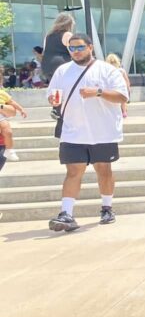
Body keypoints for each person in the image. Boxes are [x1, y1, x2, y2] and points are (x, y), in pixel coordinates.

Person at [46, 33, 130, 232]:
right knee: (73, 171)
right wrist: (53, 100)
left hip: (103, 132)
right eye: (72, 48)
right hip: (72, 131)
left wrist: (98, 92)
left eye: (80, 47)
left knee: (104, 170)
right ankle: (66, 213)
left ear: (90, 47)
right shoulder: (62, 71)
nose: (75, 51)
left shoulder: (107, 70)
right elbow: (52, 94)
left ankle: (107, 208)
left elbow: (122, 96)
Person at [0, 77, 28, 162]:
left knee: (8, 131)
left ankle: (9, 150)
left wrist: (21, 109)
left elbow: (12, 104)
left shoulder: (2, 93)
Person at [42, 12, 76, 82]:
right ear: (69, 25)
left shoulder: (48, 36)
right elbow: (74, 53)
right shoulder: (67, 35)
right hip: (62, 65)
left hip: (47, 66)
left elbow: (45, 51)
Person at [106, 53, 132, 118]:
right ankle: (124, 112)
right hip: (121, 87)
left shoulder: (107, 71)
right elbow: (126, 81)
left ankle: (118, 112)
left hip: (112, 88)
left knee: (112, 100)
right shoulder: (121, 70)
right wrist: (128, 88)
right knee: (122, 100)